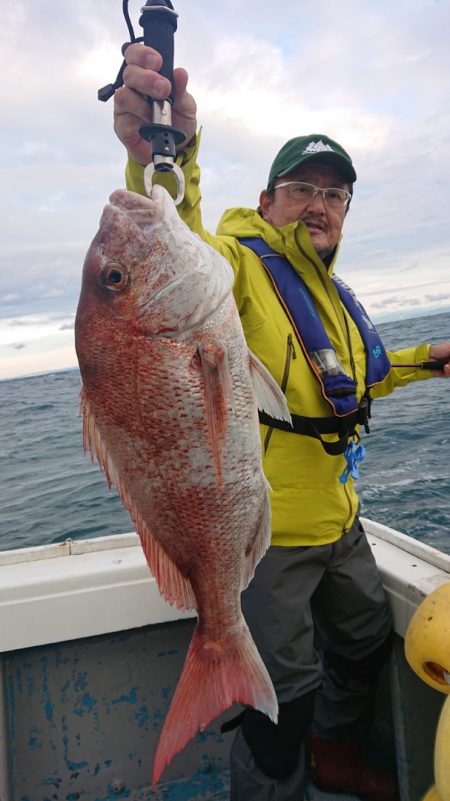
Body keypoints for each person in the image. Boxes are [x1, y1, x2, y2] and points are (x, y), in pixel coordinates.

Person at [113, 44, 450, 801]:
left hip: (342, 520)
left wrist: (428, 358)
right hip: (267, 536)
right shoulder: (236, 266)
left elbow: (351, 381)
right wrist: (166, 156)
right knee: (282, 696)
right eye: (302, 189)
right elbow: (169, 252)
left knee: (364, 640)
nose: (321, 205)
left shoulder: (330, 292)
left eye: (336, 195)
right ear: (267, 201)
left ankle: (334, 758)